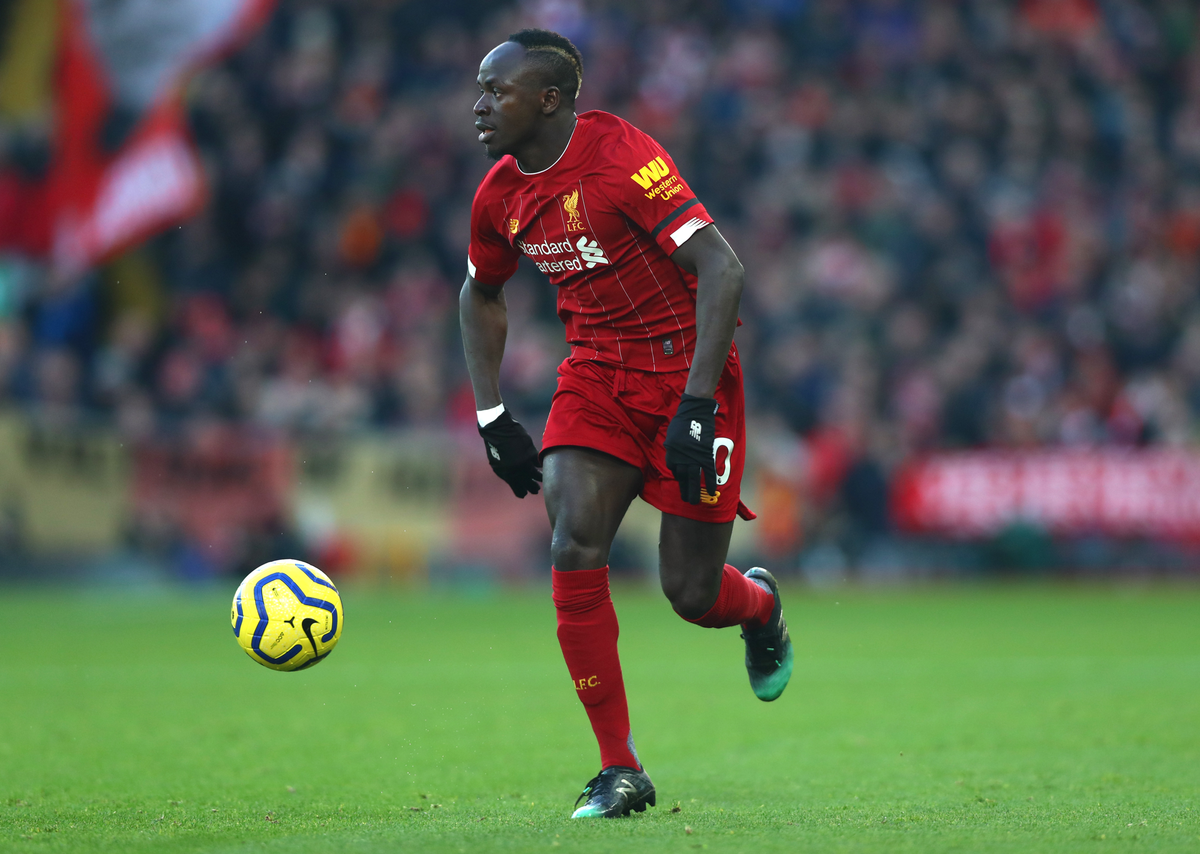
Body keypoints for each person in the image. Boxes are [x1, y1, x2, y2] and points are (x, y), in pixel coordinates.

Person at [459, 28, 793, 819]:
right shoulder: (499, 196)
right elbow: (480, 292)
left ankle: (761, 608)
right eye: (478, 89)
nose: (477, 107)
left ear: (548, 100)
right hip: (597, 375)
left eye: (495, 92)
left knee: (689, 591)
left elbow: (723, 268)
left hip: (689, 373)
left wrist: (698, 402)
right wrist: (491, 412)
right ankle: (619, 768)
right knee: (573, 536)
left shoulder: (621, 159)